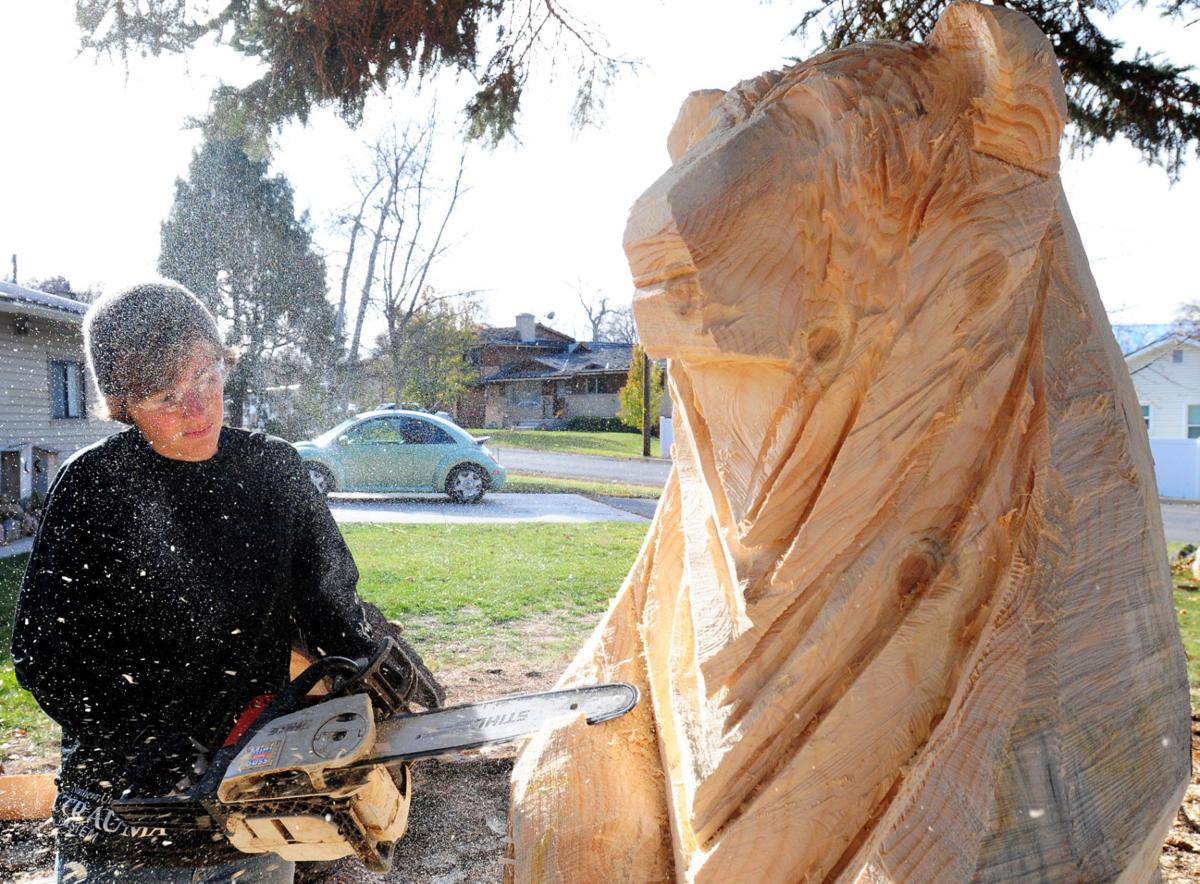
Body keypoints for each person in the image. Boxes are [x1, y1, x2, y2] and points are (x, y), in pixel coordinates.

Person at [12, 282, 386, 882]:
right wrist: (139, 742)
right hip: (124, 812)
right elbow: (46, 654)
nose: (199, 410)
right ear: (122, 402)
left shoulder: (274, 470)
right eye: (167, 396)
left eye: (207, 379)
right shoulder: (96, 487)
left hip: (257, 793)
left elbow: (330, 604)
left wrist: (363, 672)